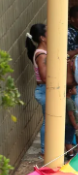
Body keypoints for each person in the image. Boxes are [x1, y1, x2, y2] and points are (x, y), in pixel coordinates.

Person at [25, 24, 47, 156]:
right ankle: (45, 150)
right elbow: (45, 77)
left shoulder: (43, 52)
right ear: (42, 38)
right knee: (48, 120)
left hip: (44, 89)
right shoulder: (42, 55)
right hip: (44, 89)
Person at [65, 85, 78, 160]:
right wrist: (75, 125)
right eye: (74, 88)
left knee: (67, 140)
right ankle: (71, 155)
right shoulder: (69, 102)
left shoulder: (67, 100)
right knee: (68, 141)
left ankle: (70, 152)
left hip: (68, 124)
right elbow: (71, 115)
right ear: (70, 91)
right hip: (70, 125)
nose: (76, 89)